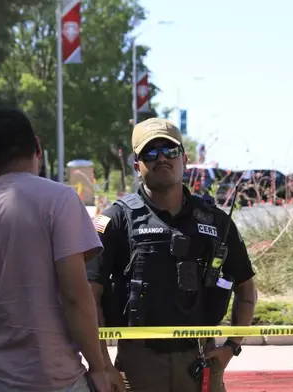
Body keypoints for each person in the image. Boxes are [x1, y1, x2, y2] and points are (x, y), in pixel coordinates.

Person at [86, 117, 257, 392]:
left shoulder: (216, 222)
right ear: (136, 165)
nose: (161, 158)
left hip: (201, 361)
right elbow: (88, 294)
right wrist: (104, 364)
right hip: (137, 365)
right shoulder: (116, 220)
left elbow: (246, 287)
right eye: (150, 152)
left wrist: (232, 347)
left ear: (184, 159)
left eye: (170, 150)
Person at [0, 108, 110, 392]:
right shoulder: (60, 200)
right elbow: (75, 296)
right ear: (37, 147)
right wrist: (100, 368)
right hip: (56, 381)